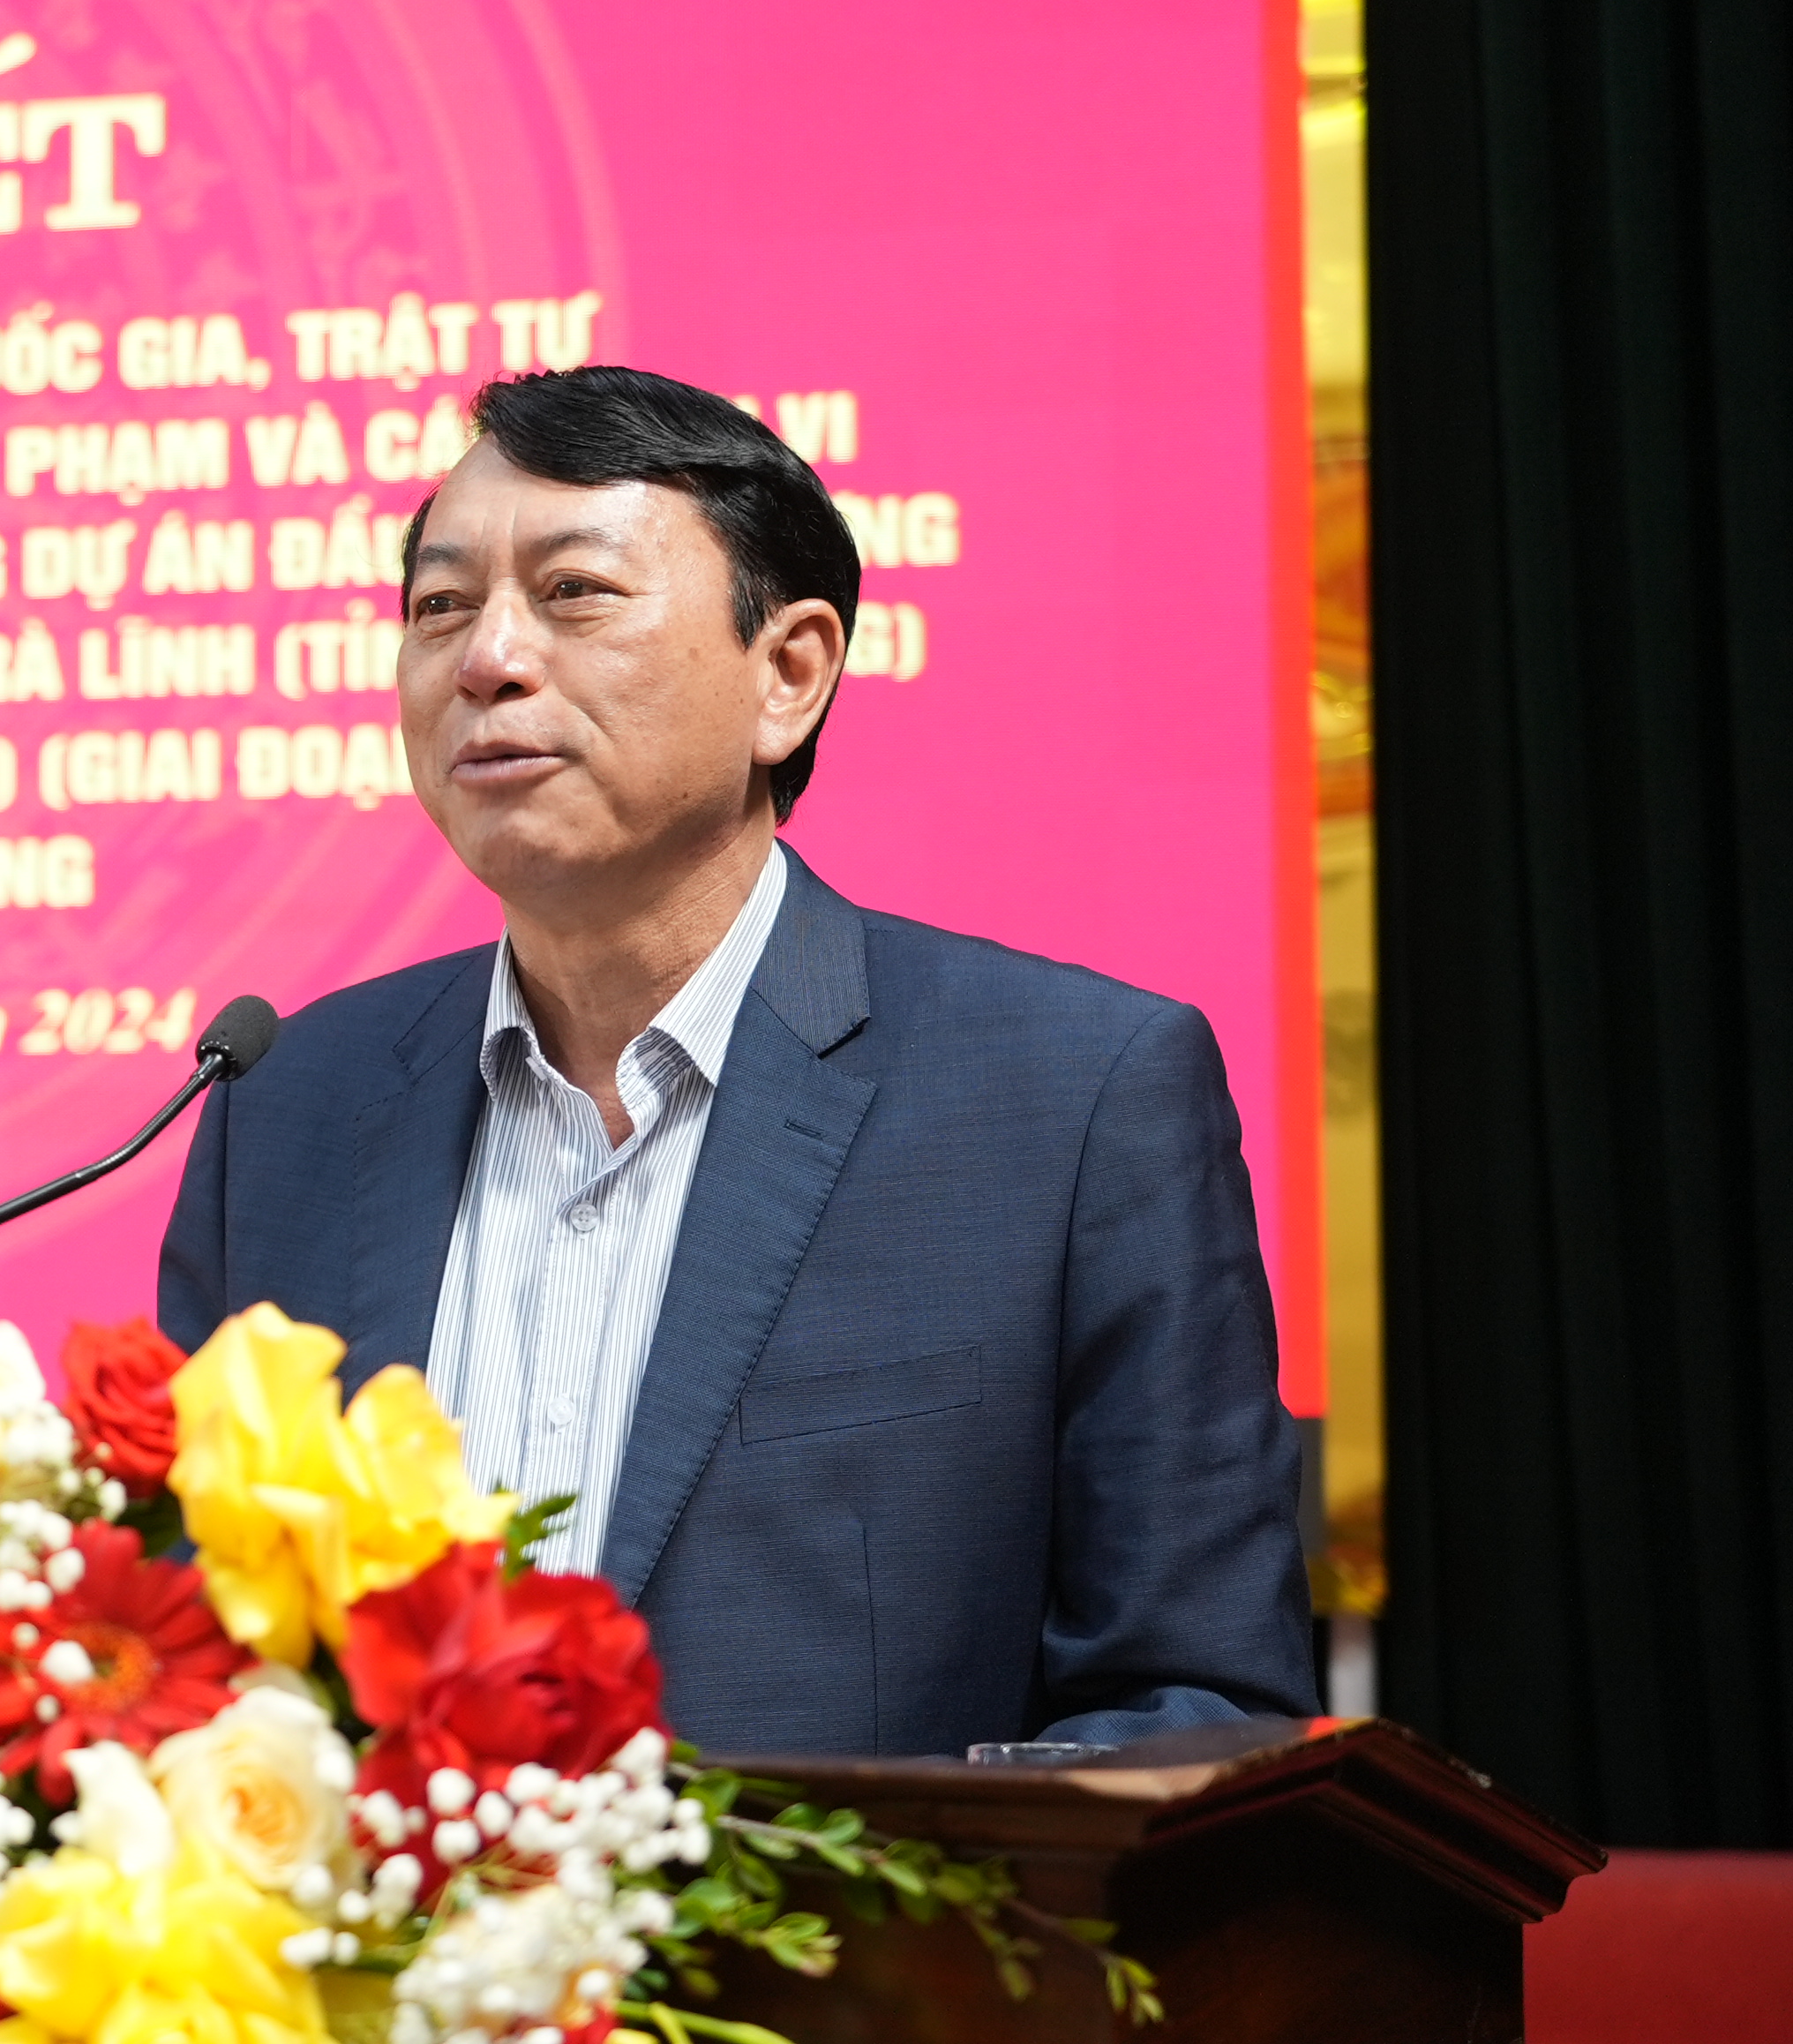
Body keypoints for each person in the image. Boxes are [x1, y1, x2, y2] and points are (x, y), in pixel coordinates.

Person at [159, 365, 1313, 1755]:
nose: (486, 660)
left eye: (574, 592)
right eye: (441, 605)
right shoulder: (289, 1104)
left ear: (790, 674)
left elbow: (1195, 1714)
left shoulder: (1072, 1101)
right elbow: (188, 1660)